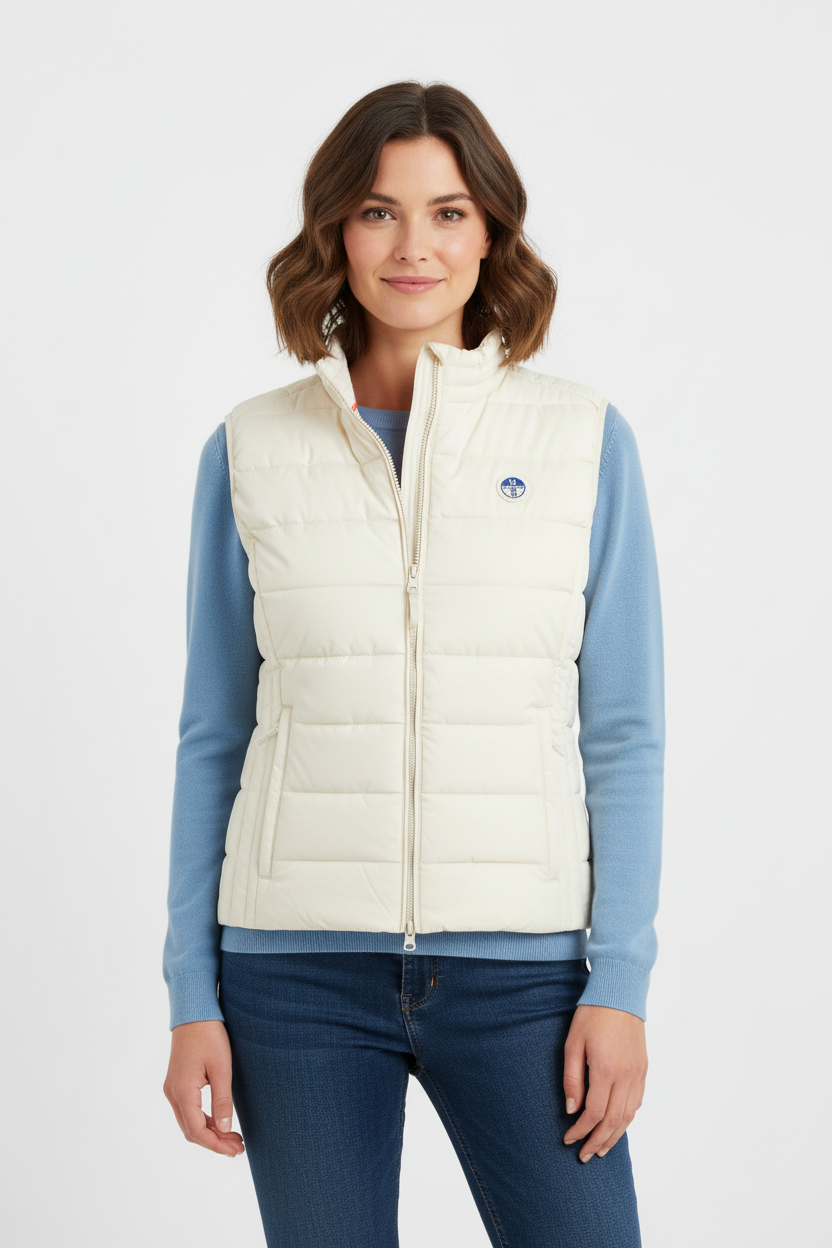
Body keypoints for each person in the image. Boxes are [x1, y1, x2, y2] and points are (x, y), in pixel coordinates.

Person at [162, 80, 664, 1248]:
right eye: (378, 212)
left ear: (490, 234)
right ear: (336, 231)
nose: (412, 247)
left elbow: (624, 732)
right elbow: (212, 736)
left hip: (526, 979)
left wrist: (619, 984)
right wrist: (192, 996)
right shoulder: (249, 448)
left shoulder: (583, 441)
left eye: (447, 213)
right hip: (292, 981)